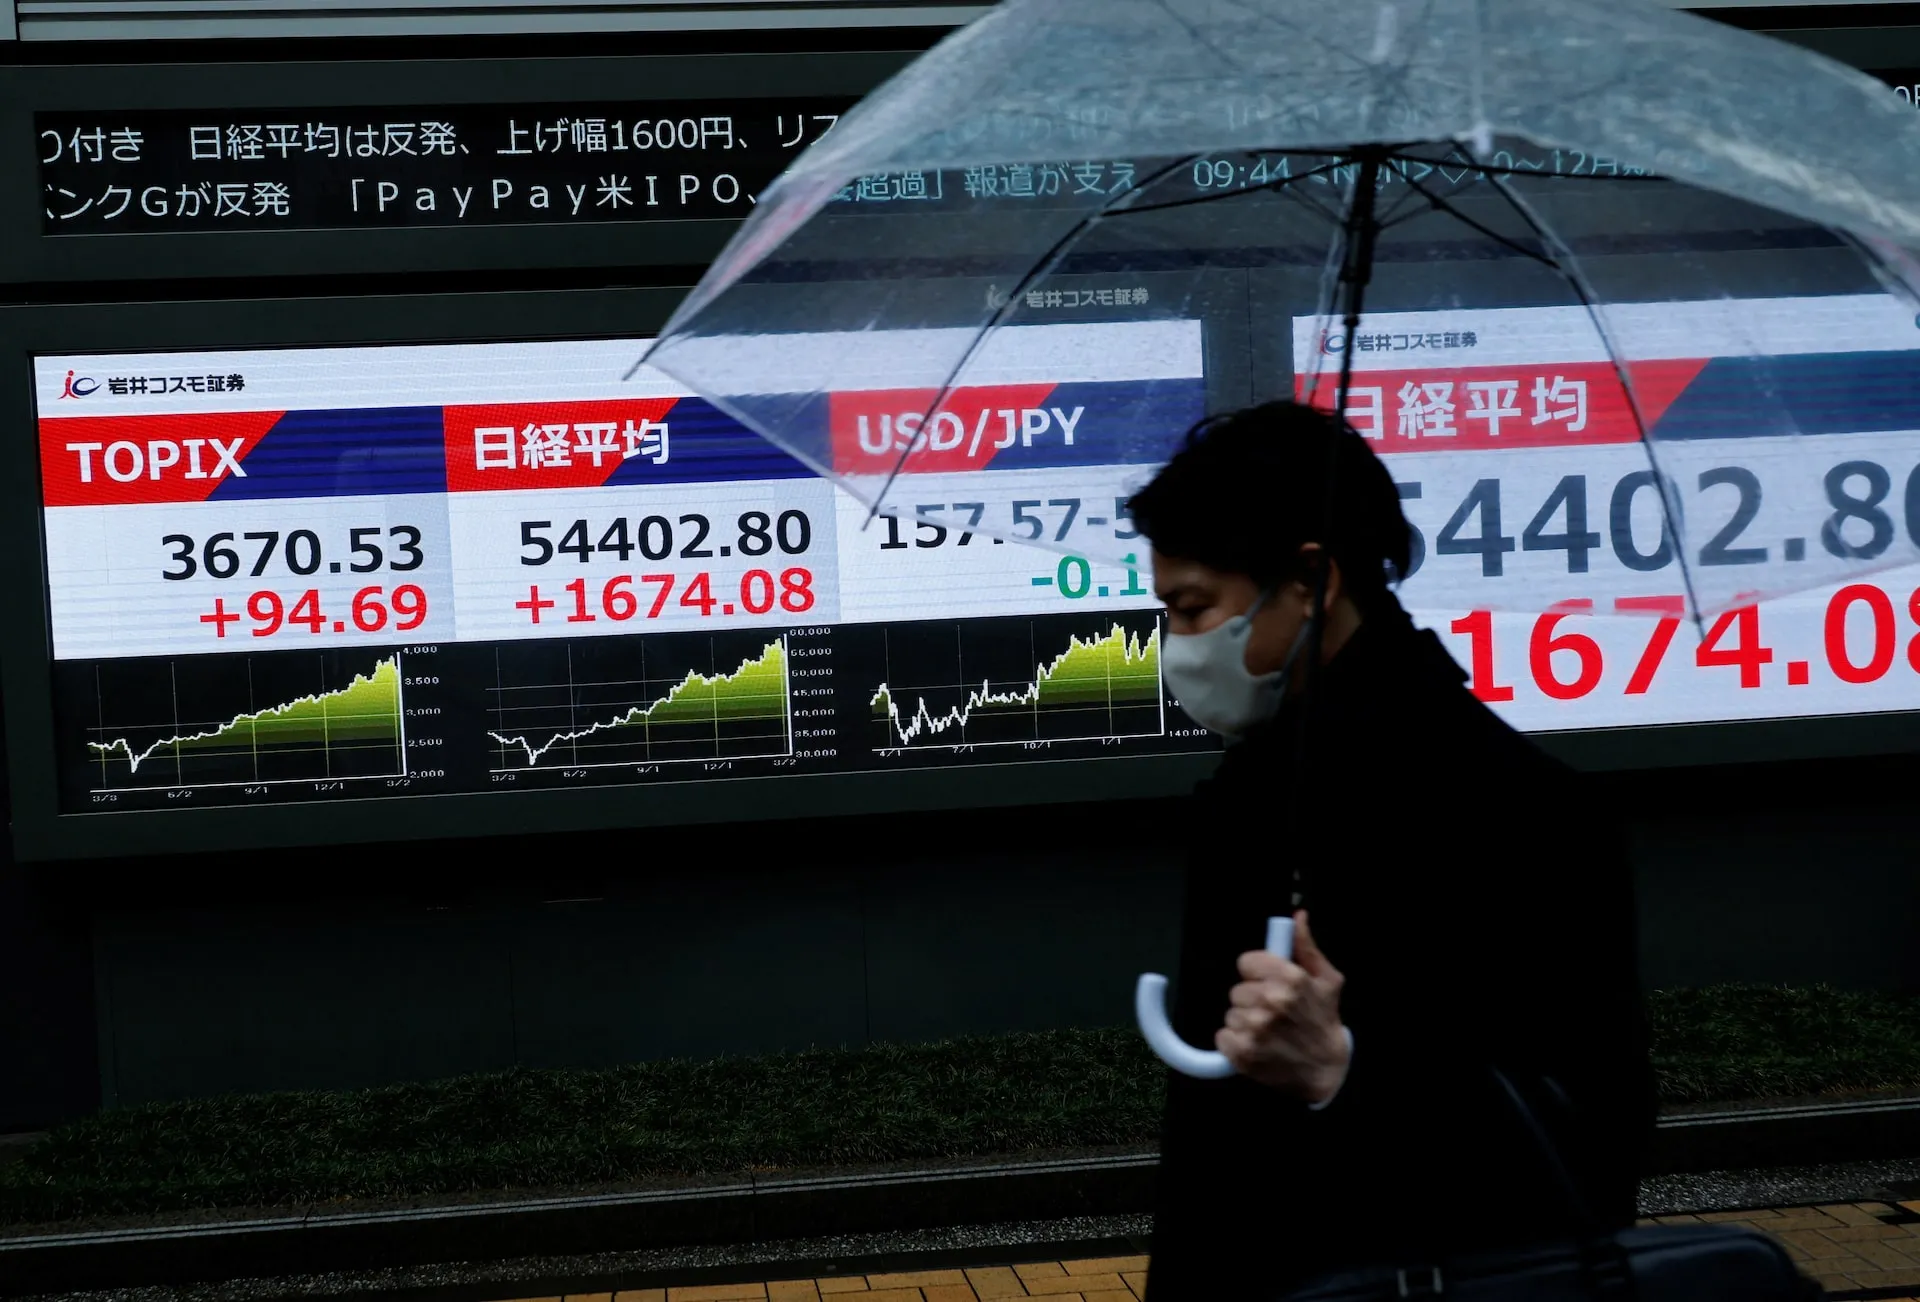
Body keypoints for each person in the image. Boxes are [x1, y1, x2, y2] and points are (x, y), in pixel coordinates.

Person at [1129, 401, 1655, 1298]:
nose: (1174, 647)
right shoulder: (1260, 789)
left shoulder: (1515, 805)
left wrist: (1343, 1075)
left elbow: (1598, 1141)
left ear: (1311, 580)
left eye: (1192, 609)